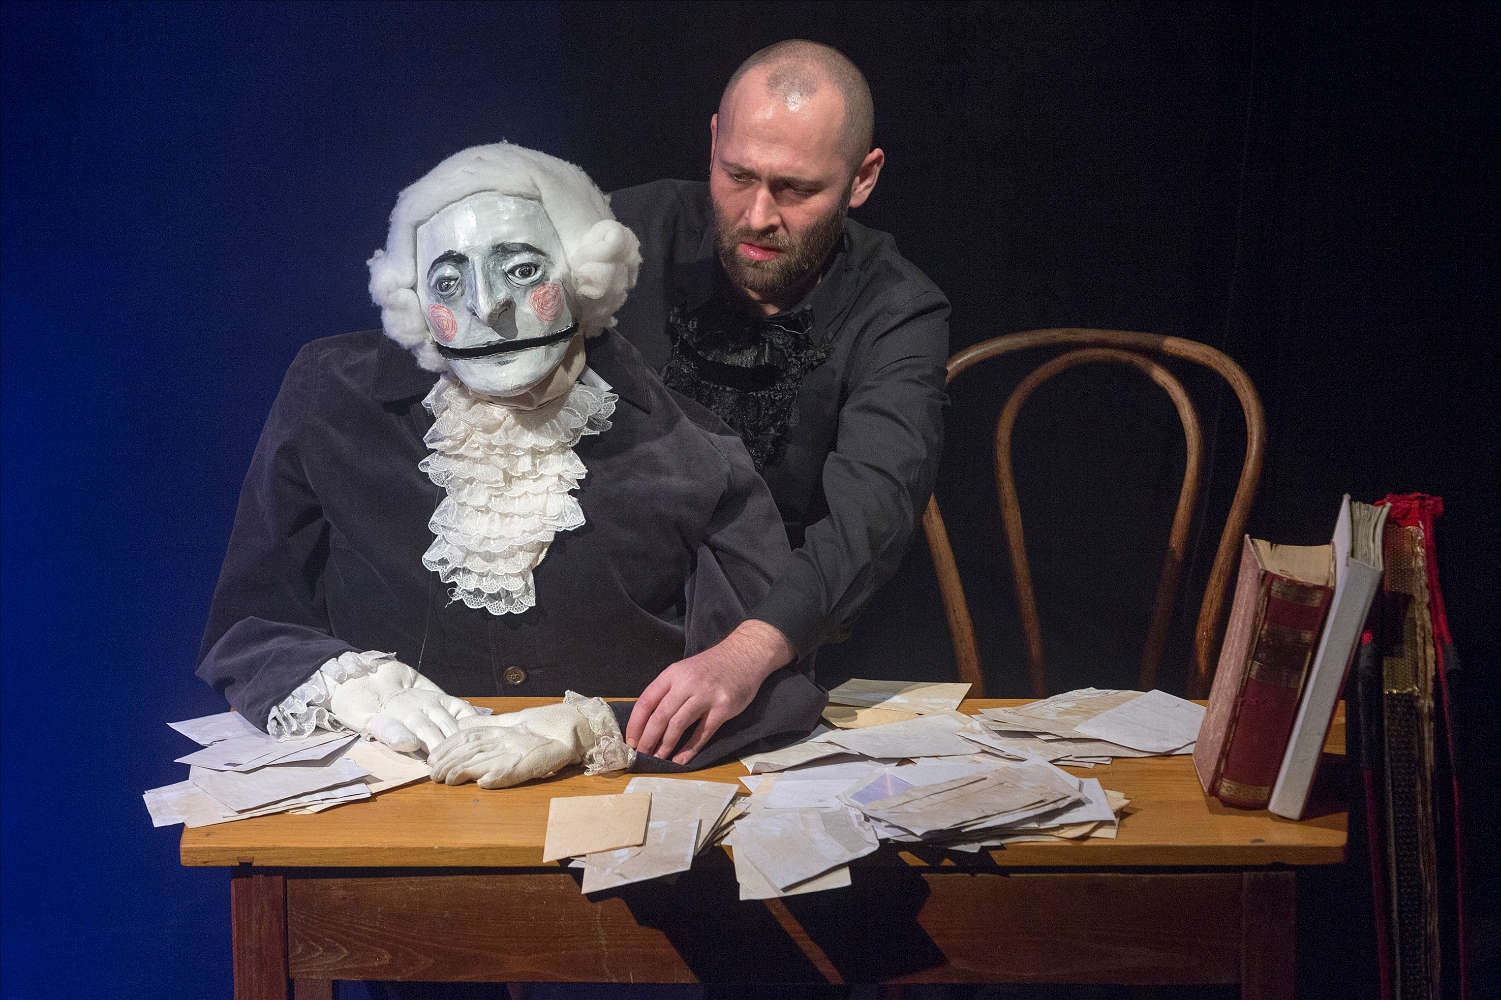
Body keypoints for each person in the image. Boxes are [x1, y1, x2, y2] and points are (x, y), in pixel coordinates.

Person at [196, 143, 825, 787]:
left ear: (583, 273)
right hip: (392, 802)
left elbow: (771, 684)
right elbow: (247, 627)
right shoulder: (330, 396)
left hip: (602, 801)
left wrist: (592, 729)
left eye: (522, 270)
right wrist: (348, 684)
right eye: (448, 282)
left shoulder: (690, 449)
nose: (487, 306)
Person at [611, 40, 950, 764]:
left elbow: (873, 509)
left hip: (780, 644)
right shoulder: (621, 234)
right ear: (714, 141)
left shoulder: (897, 308)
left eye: (795, 190)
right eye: (737, 176)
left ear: (862, 179)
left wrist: (744, 654)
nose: (758, 214)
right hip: (608, 620)